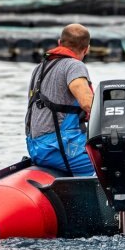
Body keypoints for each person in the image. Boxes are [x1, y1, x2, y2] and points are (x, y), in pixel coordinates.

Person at [25, 24, 94, 176]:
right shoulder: (74, 66)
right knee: (115, 163)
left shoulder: (39, 68)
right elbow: (88, 103)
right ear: (87, 48)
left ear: (59, 43)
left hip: (35, 147)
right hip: (60, 147)